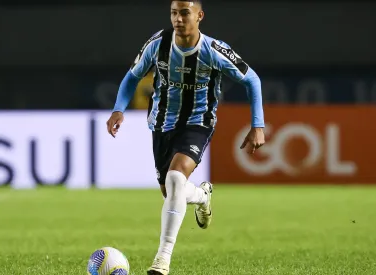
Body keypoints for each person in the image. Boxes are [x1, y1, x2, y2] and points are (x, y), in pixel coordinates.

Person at [106, 1, 266, 274]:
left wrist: (258, 125)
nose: (178, 19)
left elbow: (252, 80)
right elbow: (131, 76)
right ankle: (202, 196)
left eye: (184, 13)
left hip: (197, 123)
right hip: (161, 125)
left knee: (176, 178)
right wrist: (118, 109)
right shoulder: (157, 44)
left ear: (199, 16)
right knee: (171, 192)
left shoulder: (214, 50)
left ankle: (162, 260)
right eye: (174, 13)